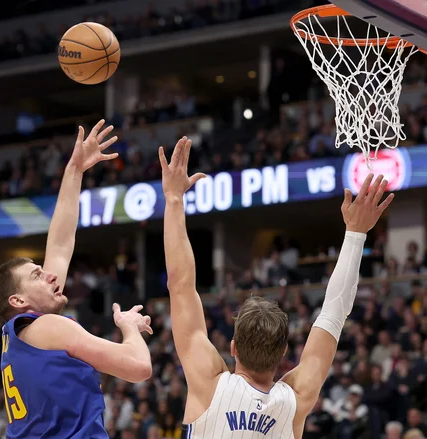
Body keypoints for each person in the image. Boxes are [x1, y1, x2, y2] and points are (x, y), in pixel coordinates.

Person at [159, 136, 394, 438]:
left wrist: (174, 199)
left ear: (233, 348)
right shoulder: (294, 400)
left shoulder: (209, 383)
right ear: (284, 352)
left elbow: (180, 284)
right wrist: (356, 234)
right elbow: (333, 315)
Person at [0, 120, 154, 439]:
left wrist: (75, 169)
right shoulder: (49, 328)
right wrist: (129, 328)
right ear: (18, 301)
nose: (50, 276)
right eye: (37, 275)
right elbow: (138, 367)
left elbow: (61, 245)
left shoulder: (18, 338)